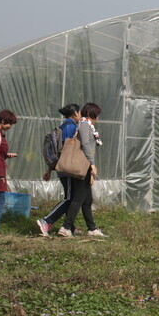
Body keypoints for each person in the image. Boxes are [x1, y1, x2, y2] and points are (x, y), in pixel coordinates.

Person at [57, 102, 106, 238]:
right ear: (90, 114)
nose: (97, 118)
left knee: (87, 200)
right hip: (82, 166)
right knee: (78, 199)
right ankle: (66, 227)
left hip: (84, 166)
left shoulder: (86, 125)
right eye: (96, 115)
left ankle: (92, 228)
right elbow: (85, 144)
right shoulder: (84, 124)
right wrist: (92, 164)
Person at [37, 103, 81, 236]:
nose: (80, 116)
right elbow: (67, 150)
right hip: (68, 168)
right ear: (75, 114)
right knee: (69, 198)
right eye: (79, 113)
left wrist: (49, 170)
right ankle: (46, 221)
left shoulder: (62, 127)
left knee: (71, 196)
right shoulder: (71, 127)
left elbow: (57, 150)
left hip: (62, 167)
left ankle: (70, 226)